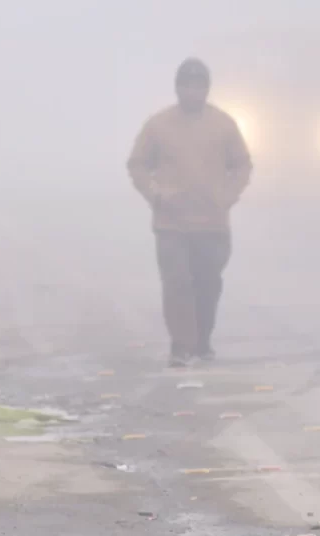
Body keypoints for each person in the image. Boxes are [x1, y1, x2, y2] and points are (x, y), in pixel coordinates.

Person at [127, 58, 252, 367]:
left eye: (199, 86)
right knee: (177, 282)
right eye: (187, 85)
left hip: (212, 223)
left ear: (207, 89)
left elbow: (242, 164)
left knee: (208, 284)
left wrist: (228, 196)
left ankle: (202, 342)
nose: (193, 92)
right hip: (172, 223)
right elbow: (138, 163)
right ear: (177, 88)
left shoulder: (224, 125)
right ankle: (181, 346)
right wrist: (154, 194)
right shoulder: (158, 125)